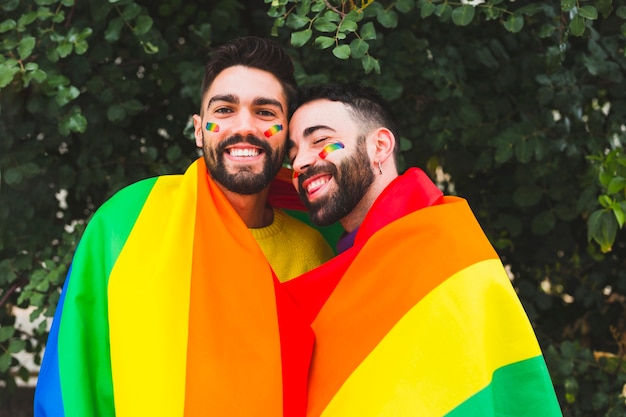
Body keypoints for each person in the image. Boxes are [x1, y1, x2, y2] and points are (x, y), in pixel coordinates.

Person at [34, 36, 333, 417]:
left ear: (288, 132)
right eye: (224, 109)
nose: (244, 127)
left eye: (265, 112)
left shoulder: (316, 252)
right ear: (198, 129)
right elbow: (72, 374)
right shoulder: (126, 221)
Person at [284, 83, 563, 416]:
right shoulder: (328, 260)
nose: (300, 161)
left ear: (380, 146)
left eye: (320, 141)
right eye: (292, 154)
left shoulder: (446, 240)